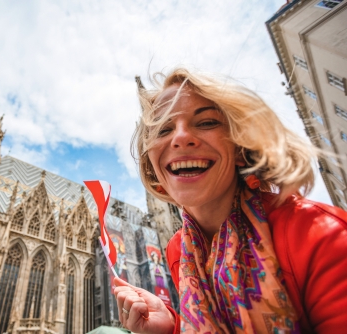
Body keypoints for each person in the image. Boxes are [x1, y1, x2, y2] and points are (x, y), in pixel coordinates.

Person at [113, 67, 347, 333]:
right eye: (163, 129)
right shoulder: (181, 249)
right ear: (152, 166)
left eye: (206, 122)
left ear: (240, 147)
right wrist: (171, 329)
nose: (179, 138)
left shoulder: (320, 233)